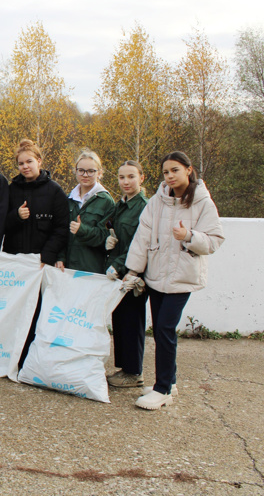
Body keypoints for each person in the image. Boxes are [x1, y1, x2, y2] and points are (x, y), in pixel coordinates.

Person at [125, 151, 224, 410]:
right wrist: (133, 271)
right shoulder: (157, 202)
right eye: (166, 172)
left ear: (188, 170)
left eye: (175, 170)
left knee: (165, 330)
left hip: (181, 278)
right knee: (160, 330)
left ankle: (162, 390)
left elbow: (214, 241)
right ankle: (170, 382)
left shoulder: (202, 202)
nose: (169, 176)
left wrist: (189, 235)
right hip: (156, 276)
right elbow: (142, 238)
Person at [2, 139, 69, 368]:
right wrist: (15, 216)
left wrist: (46, 256)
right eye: (20, 163)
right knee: (17, 309)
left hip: (41, 264)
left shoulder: (54, 191)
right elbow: (1, 223)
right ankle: (16, 357)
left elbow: (62, 228)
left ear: (39, 161)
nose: (25, 167)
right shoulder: (11, 190)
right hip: (17, 263)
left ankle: (36, 360)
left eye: (29, 161)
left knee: (40, 310)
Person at [100, 161, 149, 389]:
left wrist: (119, 264)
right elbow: (115, 233)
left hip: (133, 272)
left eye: (131, 176)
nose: (126, 182)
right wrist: (108, 241)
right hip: (119, 273)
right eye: (121, 177)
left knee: (132, 320)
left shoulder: (144, 207)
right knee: (119, 320)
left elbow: (139, 244)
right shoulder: (121, 205)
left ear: (141, 178)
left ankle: (134, 372)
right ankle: (124, 369)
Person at [60, 150, 114, 272]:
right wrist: (60, 257)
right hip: (67, 268)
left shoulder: (106, 201)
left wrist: (82, 230)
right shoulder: (69, 198)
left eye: (91, 171)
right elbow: (60, 232)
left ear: (99, 173)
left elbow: (106, 238)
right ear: (76, 171)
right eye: (81, 170)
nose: (85, 175)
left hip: (91, 269)